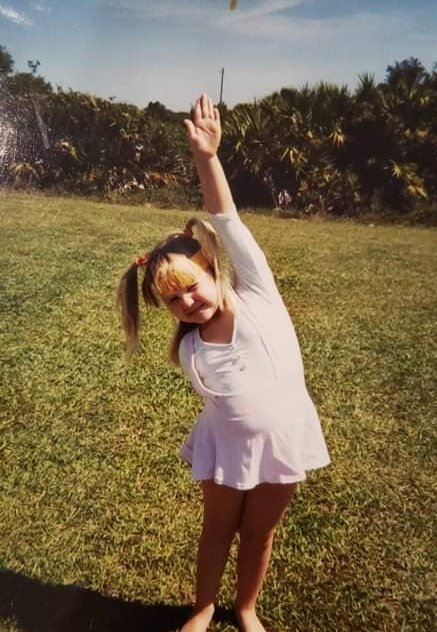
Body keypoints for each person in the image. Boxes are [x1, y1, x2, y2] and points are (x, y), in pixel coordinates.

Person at [117, 94, 330, 632]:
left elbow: (226, 218)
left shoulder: (257, 294)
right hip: (225, 449)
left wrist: (207, 158)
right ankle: (203, 607)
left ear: (213, 269)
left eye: (191, 286)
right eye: (173, 300)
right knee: (217, 531)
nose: (187, 301)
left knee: (259, 533)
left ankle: (246, 608)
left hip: (283, 443)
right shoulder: (191, 349)